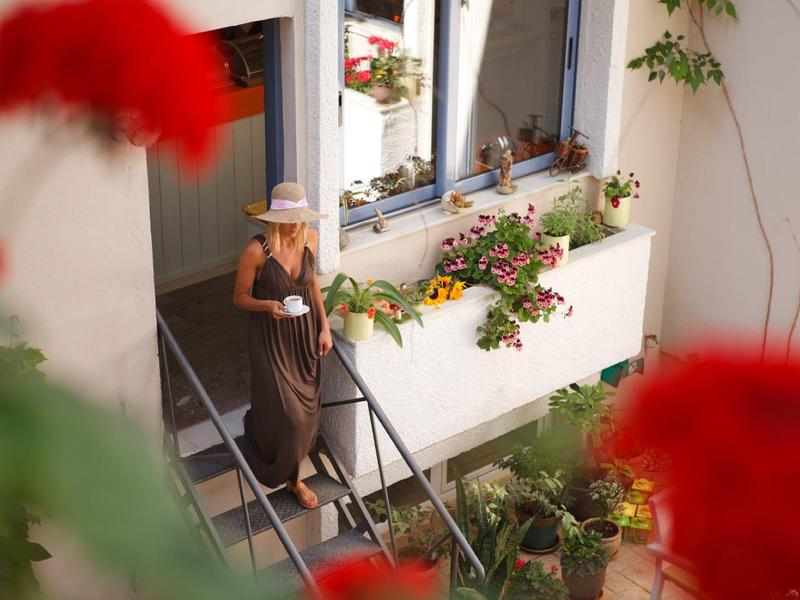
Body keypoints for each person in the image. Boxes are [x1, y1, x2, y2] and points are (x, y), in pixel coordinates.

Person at [232, 182, 332, 509]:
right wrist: (267, 305)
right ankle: (294, 480)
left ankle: (292, 474)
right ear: (275, 219)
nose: (295, 225)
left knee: (308, 412)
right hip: (270, 337)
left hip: (305, 333)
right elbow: (239, 298)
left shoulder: (310, 238)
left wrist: (324, 327)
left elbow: (313, 285)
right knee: (292, 417)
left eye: (300, 217)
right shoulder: (256, 250)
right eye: (289, 219)